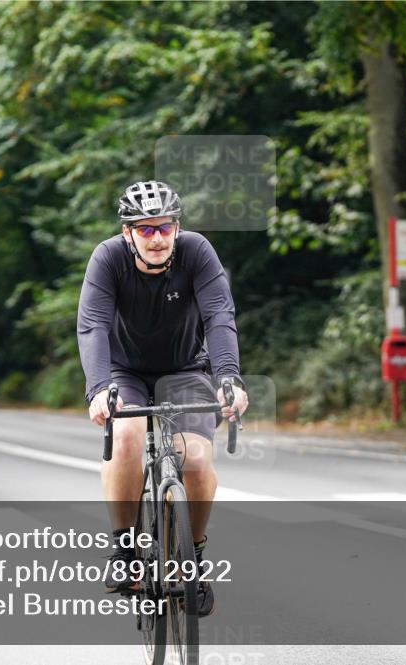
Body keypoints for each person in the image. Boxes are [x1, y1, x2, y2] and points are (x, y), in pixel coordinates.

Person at [77, 180, 249, 617]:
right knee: (129, 438)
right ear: (127, 232)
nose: (156, 237)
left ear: (177, 228)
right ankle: (124, 552)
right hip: (124, 371)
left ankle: (193, 557)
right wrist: (98, 389)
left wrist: (229, 378)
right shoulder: (108, 258)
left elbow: (218, 316)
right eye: (145, 229)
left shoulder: (197, 252)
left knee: (194, 460)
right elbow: (93, 324)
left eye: (164, 228)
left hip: (185, 367)